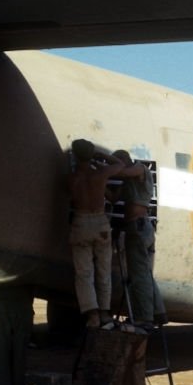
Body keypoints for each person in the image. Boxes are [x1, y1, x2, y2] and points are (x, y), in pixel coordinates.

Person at [68, 139, 125, 328]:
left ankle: (91, 314)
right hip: (100, 223)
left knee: (84, 273)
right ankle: (105, 313)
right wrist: (102, 156)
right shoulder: (100, 174)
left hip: (80, 222)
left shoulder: (71, 178)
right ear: (91, 155)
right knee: (103, 271)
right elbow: (120, 165)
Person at [112, 149, 165, 326]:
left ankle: (144, 318)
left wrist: (103, 165)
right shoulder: (128, 179)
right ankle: (158, 312)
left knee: (139, 275)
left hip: (139, 228)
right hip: (138, 228)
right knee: (145, 274)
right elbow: (113, 198)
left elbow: (122, 171)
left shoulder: (140, 169)